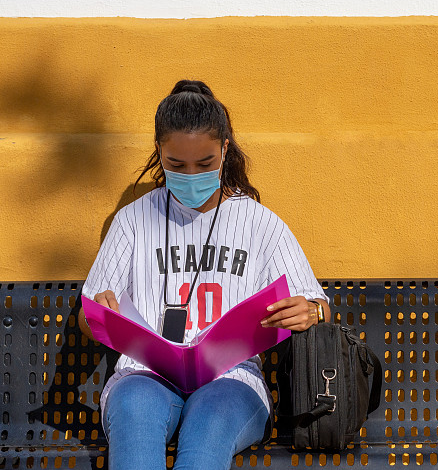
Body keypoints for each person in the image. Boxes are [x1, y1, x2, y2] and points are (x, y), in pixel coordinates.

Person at [77, 80, 330, 470]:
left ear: (225, 149)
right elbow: (87, 314)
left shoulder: (259, 223)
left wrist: (310, 311)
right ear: (160, 151)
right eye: (176, 165)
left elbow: (320, 306)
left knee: (207, 433)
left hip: (232, 380)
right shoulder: (133, 221)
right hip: (144, 375)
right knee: (135, 417)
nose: (190, 175)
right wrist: (99, 313)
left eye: (205, 164)